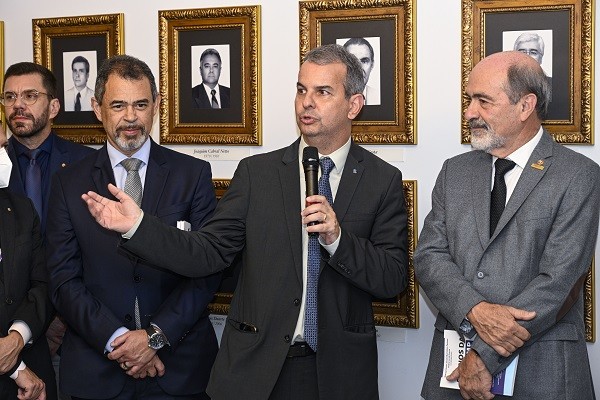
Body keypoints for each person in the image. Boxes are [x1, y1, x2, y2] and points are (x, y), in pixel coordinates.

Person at [82, 44, 408, 400]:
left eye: (323, 92)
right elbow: (207, 252)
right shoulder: (258, 173)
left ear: (354, 105)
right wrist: (138, 226)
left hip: (340, 372)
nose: (306, 102)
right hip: (257, 369)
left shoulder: (383, 180)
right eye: (301, 90)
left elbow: (392, 279)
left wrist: (337, 238)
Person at [415, 51, 599, 400]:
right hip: (454, 377)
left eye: (483, 101)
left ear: (525, 105)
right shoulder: (455, 171)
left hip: (541, 375)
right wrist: (475, 311)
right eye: (470, 100)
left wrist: (483, 356)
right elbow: (429, 258)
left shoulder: (578, 176)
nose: (470, 112)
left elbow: (557, 282)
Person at [46, 55, 220, 399]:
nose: (130, 117)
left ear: (157, 105)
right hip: (98, 368)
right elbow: (64, 280)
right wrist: (120, 342)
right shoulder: (69, 183)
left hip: (179, 369)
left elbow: (208, 270)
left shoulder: (192, 175)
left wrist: (155, 337)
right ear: (97, 108)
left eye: (141, 104)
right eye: (118, 105)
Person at [2, 61, 96, 400]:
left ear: (54, 106)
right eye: (9, 97)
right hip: (8, 329)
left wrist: (63, 317)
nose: (18, 105)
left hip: (75, 326)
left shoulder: (88, 165)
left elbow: (96, 247)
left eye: (30, 95)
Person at [0, 125, 49, 400]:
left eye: (4, 147)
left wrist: (18, 336)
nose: (4, 156)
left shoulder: (21, 209)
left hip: (33, 374)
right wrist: (16, 369)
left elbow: (42, 282)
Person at [343, 37, 380, 105]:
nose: (359, 68)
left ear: (372, 65)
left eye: (364, 61)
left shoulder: (378, 97)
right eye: (352, 61)